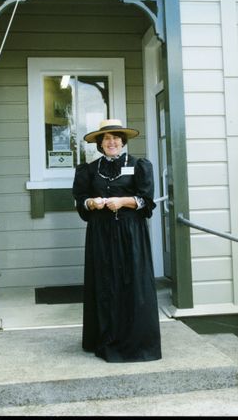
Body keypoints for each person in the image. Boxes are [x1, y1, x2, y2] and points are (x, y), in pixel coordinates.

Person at [72, 119, 162, 363]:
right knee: (104, 283)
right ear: (100, 144)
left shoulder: (139, 165)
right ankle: (103, 338)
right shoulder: (89, 170)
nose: (111, 142)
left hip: (130, 234)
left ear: (123, 141)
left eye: (116, 138)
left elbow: (147, 200)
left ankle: (135, 341)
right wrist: (92, 203)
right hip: (100, 234)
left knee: (132, 282)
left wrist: (122, 201)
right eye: (106, 139)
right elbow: (80, 201)